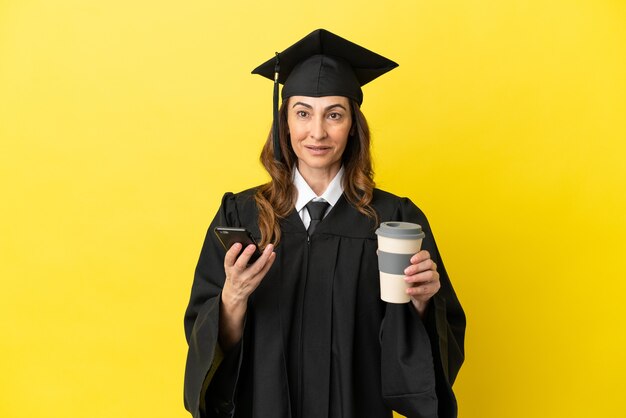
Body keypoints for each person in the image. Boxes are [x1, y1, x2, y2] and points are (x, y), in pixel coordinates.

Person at [184, 29, 465, 418]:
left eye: (334, 114)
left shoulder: (395, 220)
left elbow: (427, 350)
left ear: (353, 126)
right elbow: (207, 346)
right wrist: (233, 298)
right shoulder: (242, 216)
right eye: (303, 113)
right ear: (284, 123)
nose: (317, 132)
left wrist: (420, 304)